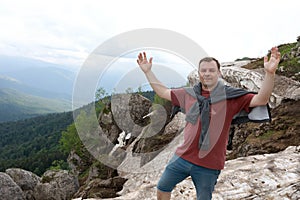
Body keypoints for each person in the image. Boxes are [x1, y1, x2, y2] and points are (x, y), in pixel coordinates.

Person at [136, 47, 281, 200]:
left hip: (209, 164)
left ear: (219, 73)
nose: (207, 73)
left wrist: (270, 74)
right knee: (162, 188)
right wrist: (148, 72)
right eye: (203, 70)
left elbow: (261, 99)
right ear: (199, 74)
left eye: (211, 70)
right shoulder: (188, 94)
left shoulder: (230, 97)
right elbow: (163, 92)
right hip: (182, 157)